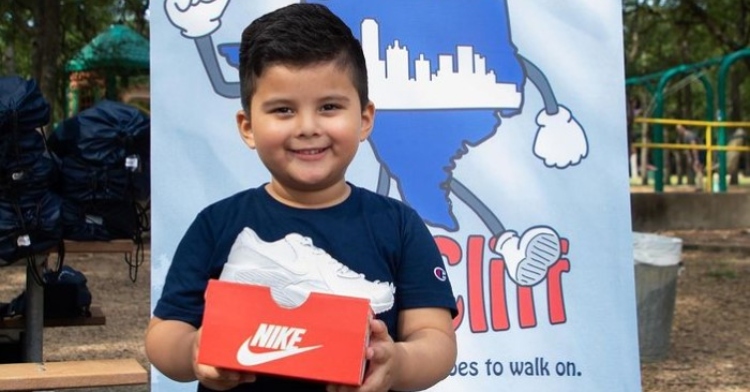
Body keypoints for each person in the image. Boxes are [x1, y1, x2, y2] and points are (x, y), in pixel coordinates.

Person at [145, 4, 458, 392]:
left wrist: (397, 362)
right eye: (283, 110)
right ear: (248, 127)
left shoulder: (399, 225)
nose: (308, 128)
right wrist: (195, 349)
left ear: (363, 119)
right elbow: (163, 335)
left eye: (329, 107)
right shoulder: (217, 223)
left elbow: (436, 340)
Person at [675, 124, 705, 191]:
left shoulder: (689, 135)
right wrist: (689, 157)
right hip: (696, 152)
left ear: (683, 128)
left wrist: (696, 158)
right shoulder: (684, 137)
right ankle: (699, 185)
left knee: (697, 168)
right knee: (696, 168)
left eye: (679, 129)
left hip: (699, 152)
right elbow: (687, 149)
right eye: (677, 129)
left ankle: (700, 186)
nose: (678, 131)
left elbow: (694, 147)